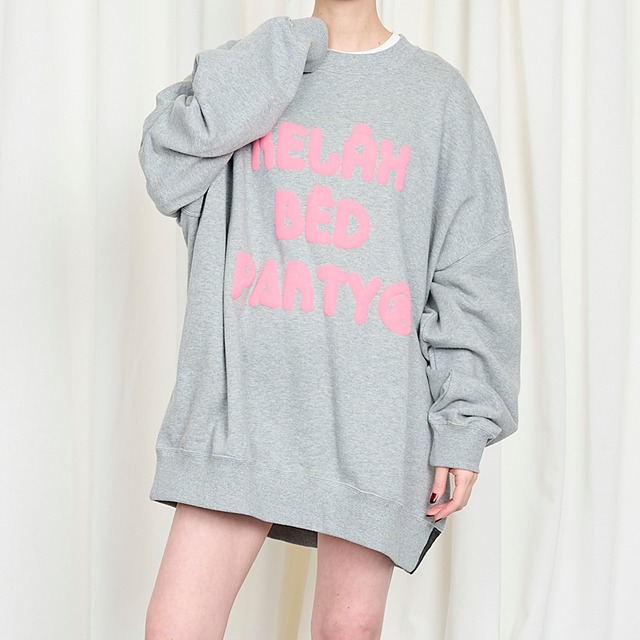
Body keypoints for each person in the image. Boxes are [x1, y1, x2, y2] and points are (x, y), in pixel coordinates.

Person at [138, 0, 522, 638]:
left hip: (372, 418)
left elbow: (472, 271)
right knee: (177, 626)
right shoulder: (261, 69)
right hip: (239, 410)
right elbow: (167, 167)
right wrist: (289, 46)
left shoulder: (436, 96)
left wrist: (464, 424)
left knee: (348, 628)